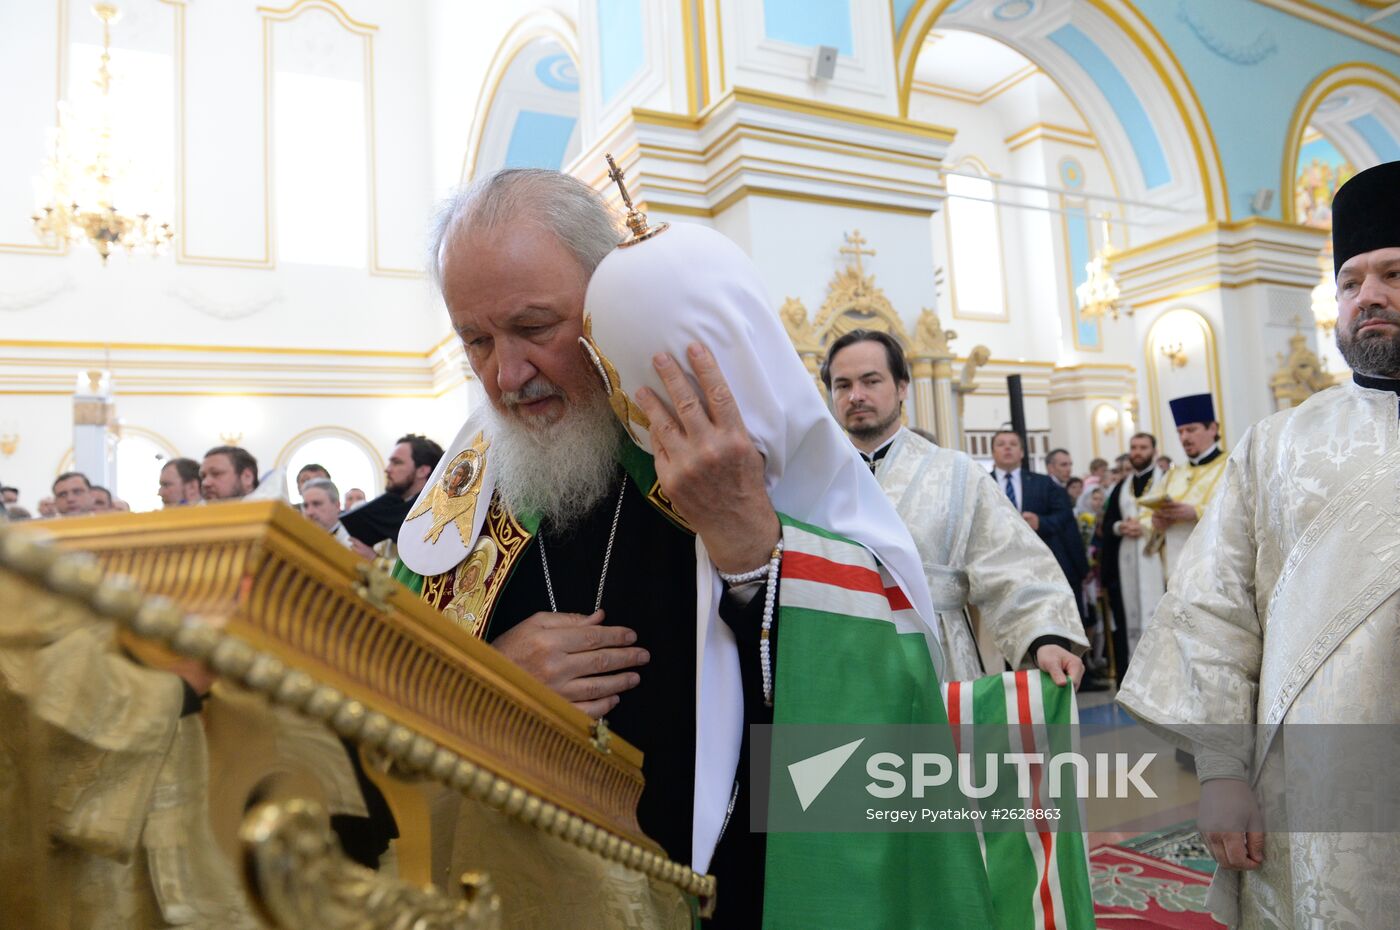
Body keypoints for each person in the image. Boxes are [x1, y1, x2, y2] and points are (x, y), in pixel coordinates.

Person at [393, 167, 999, 926]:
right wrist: (486, 683)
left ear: (605, 300)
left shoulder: (726, 454)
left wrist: (751, 551)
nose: (505, 375)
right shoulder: (467, 495)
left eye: (535, 328)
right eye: (475, 340)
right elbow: (384, 692)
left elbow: (880, 692)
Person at [1118, 159, 1400, 928]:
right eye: (1349, 283)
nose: (1366, 296)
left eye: (1392, 274)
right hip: (1313, 788)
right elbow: (1216, 614)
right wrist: (1219, 771)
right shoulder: (1277, 445)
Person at [822, 329, 1086, 683]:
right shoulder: (816, 478)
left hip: (937, 656)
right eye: (843, 385)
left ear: (902, 387)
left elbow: (1013, 563)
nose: (856, 396)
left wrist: (1044, 638)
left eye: (871, 381)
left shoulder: (955, 472)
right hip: (842, 660)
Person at [990, 431, 1089, 613]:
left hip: (1040, 568)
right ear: (993, 452)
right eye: (1001, 444)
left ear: (1021, 452)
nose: (1007, 447)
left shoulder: (1043, 483)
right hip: (998, 567)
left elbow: (1064, 515)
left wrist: (1041, 522)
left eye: (1013, 443)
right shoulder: (983, 483)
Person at [1097, 432, 1165, 680]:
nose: (1137, 452)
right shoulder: (1120, 488)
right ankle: (1135, 677)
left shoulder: (1166, 480)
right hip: (1127, 562)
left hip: (1156, 561)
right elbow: (1109, 522)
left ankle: (1161, 675)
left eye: (1143, 447)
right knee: (1130, 619)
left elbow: (1173, 520)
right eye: (1134, 447)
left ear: (1153, 451)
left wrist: (1145, 527)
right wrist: (1120, 527)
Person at [1139, 394, 1227, 580]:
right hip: (1176, 571)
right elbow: (1145, 517)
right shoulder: (1172, 475)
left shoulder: (1232, 466)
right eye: (1180, 432)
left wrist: (1196, 513)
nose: (1184, 437)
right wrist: (1156, 524)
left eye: (1191, 429)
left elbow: (1242, 512)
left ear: (1213, 428)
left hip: (1218, 570)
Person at [340, 434, 443, 559]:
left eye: (397, 463)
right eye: (390, 462)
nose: (387, 469)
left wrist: (374, 560)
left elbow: (423, 570)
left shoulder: (433, 516)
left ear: (422, 471)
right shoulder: (395, 511)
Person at [300, 477, 353, 548]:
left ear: (337, 506)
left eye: (316, 504)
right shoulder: (300, 540)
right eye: (305, 506)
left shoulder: (354, 541)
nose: (309, 512)